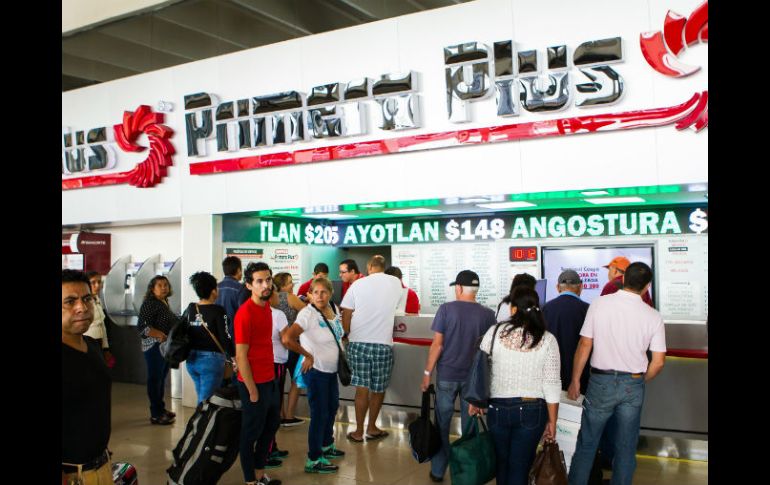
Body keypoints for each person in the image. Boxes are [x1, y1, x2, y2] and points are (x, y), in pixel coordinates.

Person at [567, 262, 666, 485]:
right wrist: (640, 380)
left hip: (600, 382)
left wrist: (575, 380)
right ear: (647, 286)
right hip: (633, 384)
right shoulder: (653, 316)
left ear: (622, 279)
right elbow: (658, 362)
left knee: (588, 443)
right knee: (626, 447)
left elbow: (585, 344)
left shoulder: (599, 304)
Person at [469, 287, 561, 485]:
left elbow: (480, 370)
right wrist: (552, 421)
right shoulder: (547, 339)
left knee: (502, 464)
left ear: (513, 309)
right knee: (520, 466)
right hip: (532, 411)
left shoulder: (494, 332)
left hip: (497, 408)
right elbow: (552, 383)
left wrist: (475, 401)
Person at [421, 270, 495, 482]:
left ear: (460, 288)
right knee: (470, 425)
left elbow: (437, 345)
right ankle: (466, 471)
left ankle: (438, 471)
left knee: (442, 424)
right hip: (473, 380)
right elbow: (489, 352)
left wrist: (427, 373)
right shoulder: (489, 315)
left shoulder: (446, 309)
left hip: (447, 376)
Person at [282, 278, 347, 473]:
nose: (320, 296)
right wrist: (307, 355)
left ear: (330, 293)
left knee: (331, 408)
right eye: (316, 292)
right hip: (316, 371)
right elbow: (287, 339)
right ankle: (314, 458)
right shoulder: (307, 314)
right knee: (319, 414)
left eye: (324, 292)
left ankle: (327, 445)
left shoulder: (334, 309)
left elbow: (339, 334)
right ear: (310, 294)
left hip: (331, 371)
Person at [341, 255, 402, 442]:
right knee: (378, 389)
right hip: (383, 344)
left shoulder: (357, 284)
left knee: (362, 389)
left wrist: (346, 333)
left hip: (358, 342)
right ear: (384, 266)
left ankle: (358, 431)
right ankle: (372, 427)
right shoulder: (395, 283)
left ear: (369, 267)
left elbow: (346, 313)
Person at [62, 270, 113, 485]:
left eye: (86, 299)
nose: (81, 307)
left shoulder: (92, 347)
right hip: (71, 476)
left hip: (101, 466)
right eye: (70, 301)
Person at [234, 262, 283, 485]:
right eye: (259, 281)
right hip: (253, 383)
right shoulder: (245, 314)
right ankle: (250, 480)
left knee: (271, 426)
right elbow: (241, 355)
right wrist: (252, 389)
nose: (266, 285)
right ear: (249, 285)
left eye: (268, 280)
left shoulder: (267, 308)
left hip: (270, 379)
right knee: (250, 433)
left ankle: (260, 473)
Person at [183, 271, 235, 405]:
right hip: (210, 362)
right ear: (213, 291)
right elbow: (225, 336)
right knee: (206, 402)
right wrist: (234, 357)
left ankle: (200, 417)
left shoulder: (190, 308)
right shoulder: (218, 311)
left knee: (202, 397)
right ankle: (200, 418)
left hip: (191, 360)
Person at [137, 275, 178, 425]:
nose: (164, 288)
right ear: (152, 289)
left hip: (164, 347)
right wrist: (159, 334)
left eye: (166, 285)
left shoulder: (163, 302)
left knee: (161, 378)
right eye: (159, 285)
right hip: (154, 347)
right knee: (155, 379)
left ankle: (161, 409)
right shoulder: (150, 303)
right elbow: (142, 327)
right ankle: (156, 414)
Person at [542, 269, 590, 393]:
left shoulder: (546, 308)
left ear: (558, 287)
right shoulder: (588, 309)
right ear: (581, 287)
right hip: (580, 377)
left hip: (551, 374)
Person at [269, 272, 307, 427]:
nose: (293, 285)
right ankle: (289, 416)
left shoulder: (271, 300)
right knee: (296, 380)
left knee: (279, 383)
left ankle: (280, 414)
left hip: (276, 348)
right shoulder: (290, 297)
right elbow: (308, 313)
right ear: (282, 285)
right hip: (292, 344)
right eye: (290, 282)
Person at [83, 271, 115, 367]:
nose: (97, 285)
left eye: (99, 282)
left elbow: (102, 325)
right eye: (93, 282)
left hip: (98, 342)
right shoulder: (83, 302)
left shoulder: (97, 299)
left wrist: (106, 348)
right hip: (87, 342)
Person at [216, 255, 244, 331]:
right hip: (234, 332)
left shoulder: (215, 287)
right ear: (238, 270)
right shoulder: (241, 288)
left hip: (218, 332)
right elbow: (243, 313)